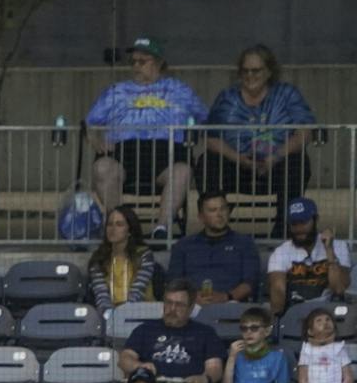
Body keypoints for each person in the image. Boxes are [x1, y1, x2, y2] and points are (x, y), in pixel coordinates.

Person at [86, 36, 206, 241]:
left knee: (183, 171)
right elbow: (89, 122)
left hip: (167, 153)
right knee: (102, 168)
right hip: (124, 152)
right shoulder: (117, 91)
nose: (136, 66)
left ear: (159, 63)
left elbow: (205, 117)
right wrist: (96, 141)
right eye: (133, 62)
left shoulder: (179, 90)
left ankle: (162, 228)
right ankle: (120, 226)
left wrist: (193, 135)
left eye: (142, 61)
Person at [199, 45, 315, 214]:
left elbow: (305, 131)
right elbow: (211, 137)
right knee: (207, 163)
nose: (250, 76)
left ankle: (283, 228)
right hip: (236, 163)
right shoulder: (228, 97)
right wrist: (238, 158)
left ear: (268, 72)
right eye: (245, 71)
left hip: (278, 163)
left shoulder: (287, 94)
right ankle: (217, 224)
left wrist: (275, 157)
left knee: (298, 163)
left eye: (256, 71)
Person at [119, 281, 225, 383]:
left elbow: (215, 368)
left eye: (179, 304)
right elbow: (124, 359)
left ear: (191, 308)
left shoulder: (205, 333)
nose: (172, 309)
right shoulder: (145, 329)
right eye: (169, 303)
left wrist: (204, 380)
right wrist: (139, 366)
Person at [165, 193, 260, 305]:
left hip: (231, 304)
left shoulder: (245, 244)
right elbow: (174, 283)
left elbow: (250, 283)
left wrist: (227, 297)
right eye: (212, 210)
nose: (219, 214)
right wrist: (193, 297)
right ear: (201, 217)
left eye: (223, 209)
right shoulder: (183, 246)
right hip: (191, 305)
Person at [264, 197, 351, 315]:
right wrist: (279, 321)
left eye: (304, 223)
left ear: (316, 220)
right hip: (294, 313)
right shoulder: (280, 252)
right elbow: (277, 292)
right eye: (294, 224)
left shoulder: (338, 246)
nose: (299, 229)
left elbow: (339, 289)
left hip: (329, 313)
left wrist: (329, 251)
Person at [86, 204, 160, 313]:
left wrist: (124, 314)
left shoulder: (144, 255)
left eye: (119, 224)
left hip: (142, 313)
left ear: (130, 230)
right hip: (110, 316)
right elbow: (101, 296)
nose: (113, 229)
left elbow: (137, 292)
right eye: (110, 224)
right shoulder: (98, 259)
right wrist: (111, 316)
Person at [224, 305, 294, 383]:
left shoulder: (278, 357)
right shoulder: (236, 353)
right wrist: (231, 358)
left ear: (267, 331)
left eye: (254, 328)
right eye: (244, 329)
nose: (248, 332)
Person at [297, 306, 354, 383]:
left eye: (328, 319)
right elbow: (303, 380)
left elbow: (348, 378)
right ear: (310, 331)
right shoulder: (306, 349)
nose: (325, 322)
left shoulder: (339, 348)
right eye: (319, 321)